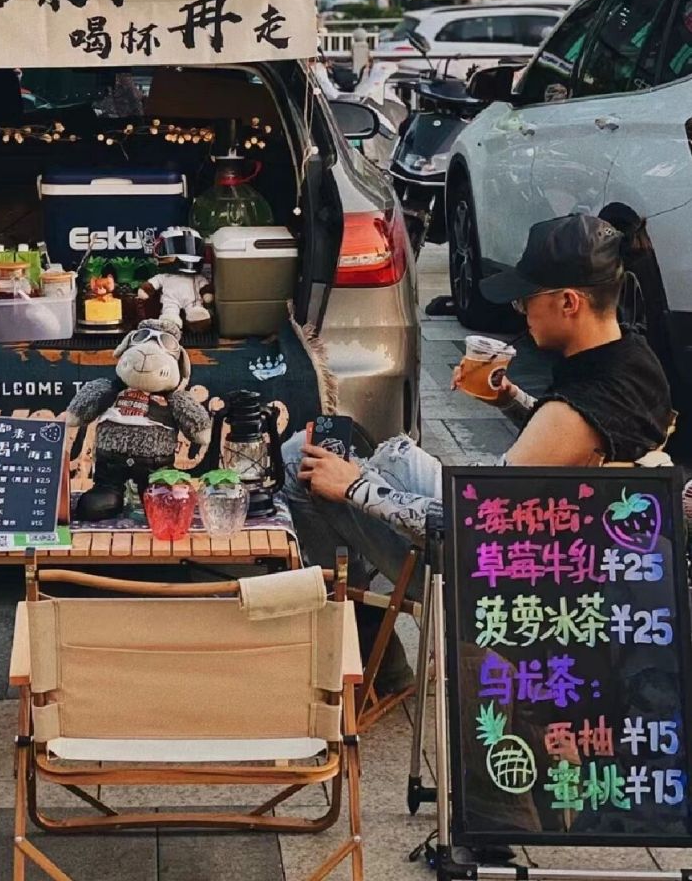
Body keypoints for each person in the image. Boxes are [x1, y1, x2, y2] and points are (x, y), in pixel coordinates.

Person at [283, 212, 673, 693]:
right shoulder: (630, 357)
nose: (520, 312)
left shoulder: (571, 418)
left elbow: (465, 521)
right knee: (392, 455)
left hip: (501, 577)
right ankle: (369, 633)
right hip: (558, 540)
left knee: (302, 466)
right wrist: (508, 396)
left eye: (526, 299)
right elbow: (572, 442)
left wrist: (354, 487)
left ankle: (368, 650)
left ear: (569, 302)